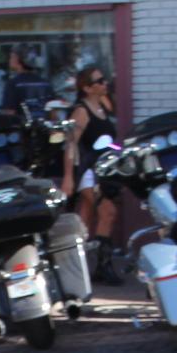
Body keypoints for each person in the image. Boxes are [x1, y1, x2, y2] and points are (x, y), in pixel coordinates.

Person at [61, 65, 120, 262]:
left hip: (104, 170)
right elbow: (70, 144)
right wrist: (68, 177)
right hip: (88, 171)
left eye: (104, 79)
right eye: (99, 81)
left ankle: (79, 260)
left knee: (86, 216)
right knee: (107, 212)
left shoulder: (104, 106)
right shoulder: (81, 111)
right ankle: (102, 264)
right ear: (87, 88)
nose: (105, 84)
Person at [0, 45, 53, 118]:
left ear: (17, 59)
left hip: (21, 124)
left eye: (11, 57)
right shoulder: (45, 84)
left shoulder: (13, 84)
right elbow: (53, 112)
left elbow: (9, 114)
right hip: (43, 124)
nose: (9, 60)